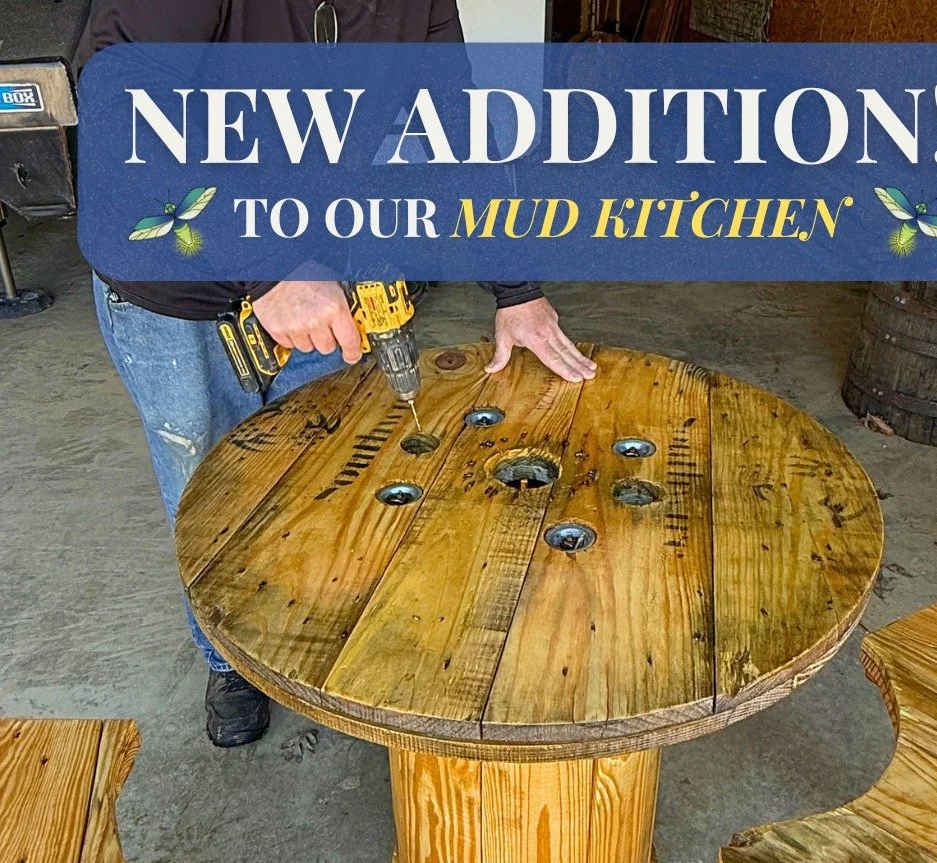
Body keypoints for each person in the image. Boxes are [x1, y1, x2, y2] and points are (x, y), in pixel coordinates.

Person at [79, 0, 597, 746]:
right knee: (206, 482)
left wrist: (517, 289)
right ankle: (227, 662)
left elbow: (457, 128)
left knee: (330, 466)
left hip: (314, 263)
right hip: (173, 283)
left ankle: (317, 639)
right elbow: (121, 129)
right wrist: (269, 271)